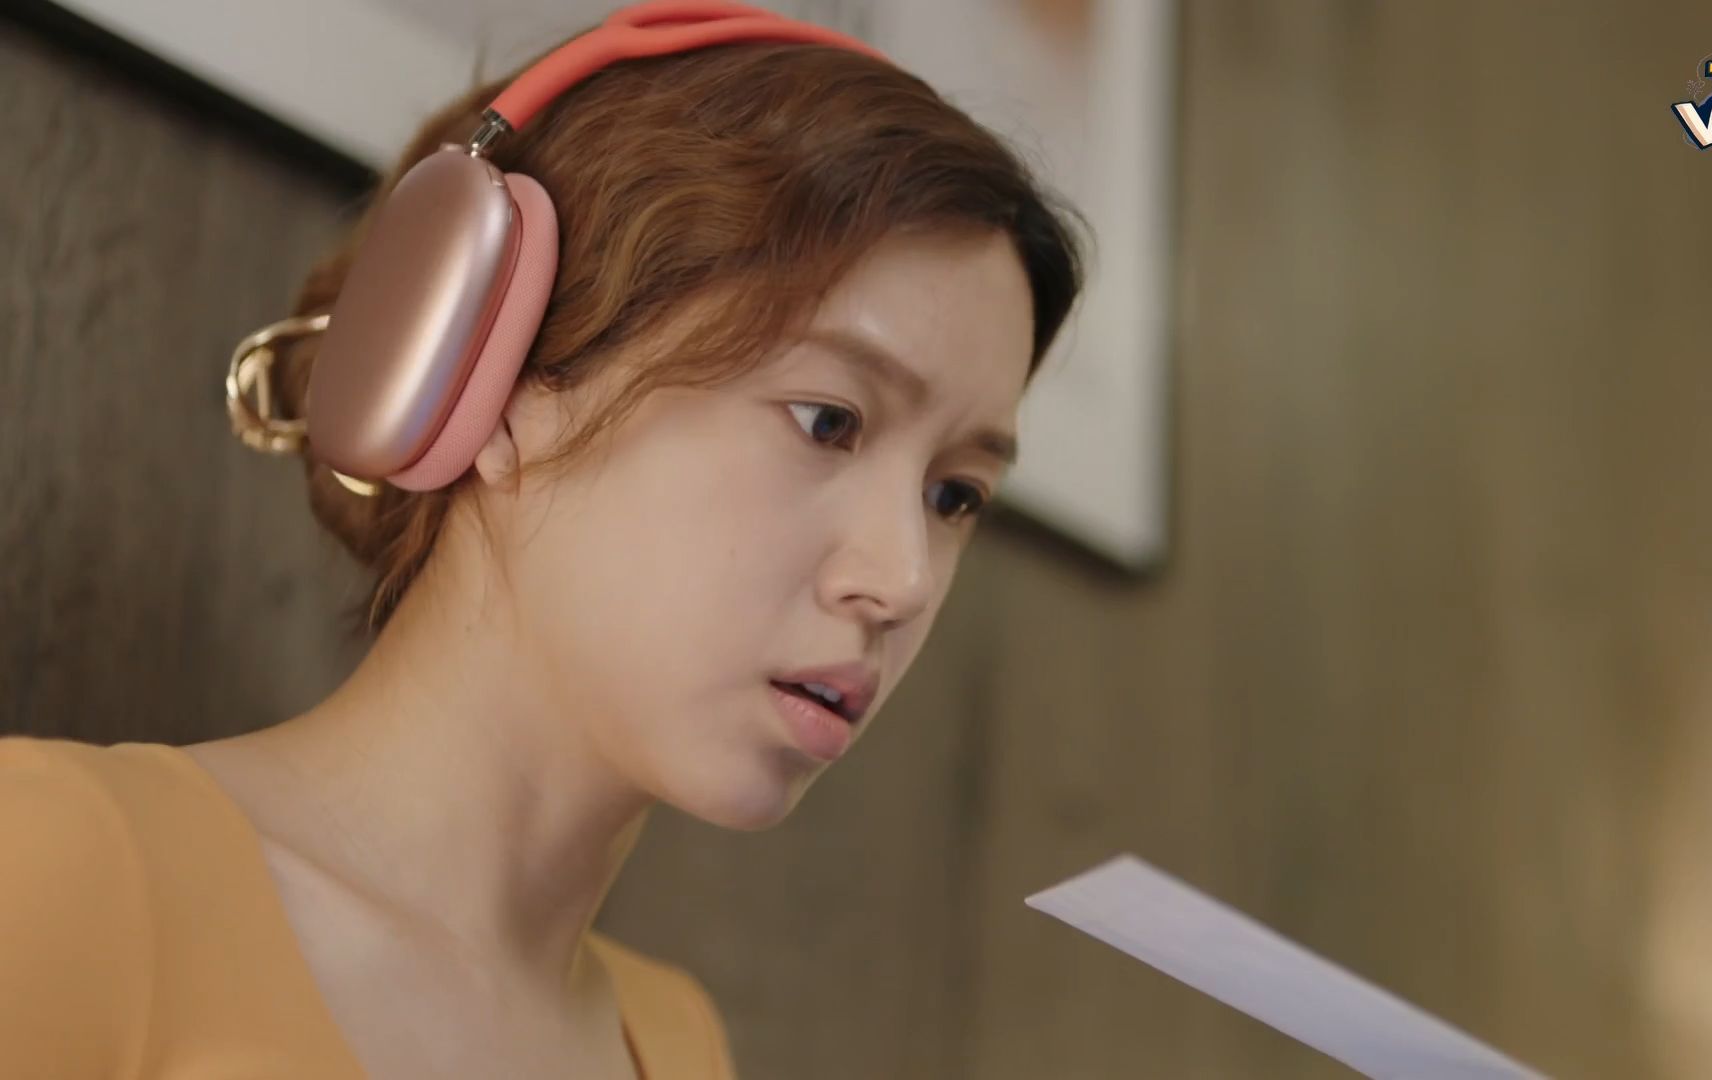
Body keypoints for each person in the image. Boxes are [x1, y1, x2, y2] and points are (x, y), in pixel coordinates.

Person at [0, 3, 1085, 1076]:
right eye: (827, 422)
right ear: (494, 367)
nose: (900, 580)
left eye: (956, 496)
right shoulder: (56, 873)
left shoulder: (677, 1045)